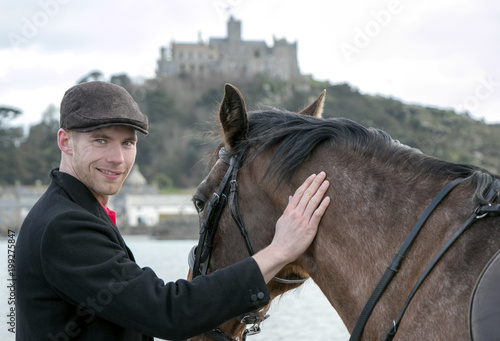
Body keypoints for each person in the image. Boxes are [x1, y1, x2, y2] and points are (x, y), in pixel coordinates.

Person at [15, 81, 330, 340]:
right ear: (65, 142)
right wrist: (279, 251)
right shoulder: (63, 226)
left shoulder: (72, 211)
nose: (117, 158)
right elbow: (167, 313)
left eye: (127, 143)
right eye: (101, 141)